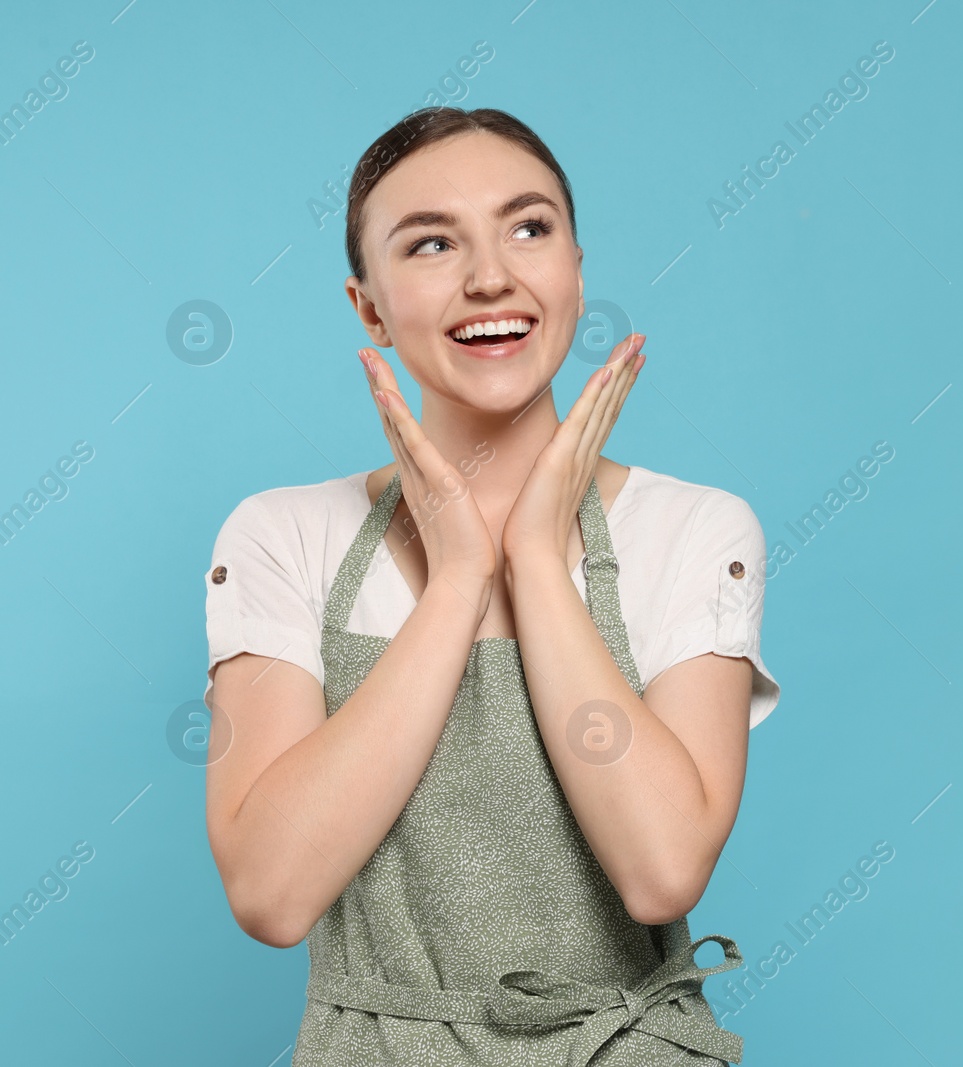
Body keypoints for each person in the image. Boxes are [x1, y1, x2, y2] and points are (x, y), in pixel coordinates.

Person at [201, 106, 779, 1066]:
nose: (490, 275)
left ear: (576, 271)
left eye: (529, 227)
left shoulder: (695, 529)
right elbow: (273, 890)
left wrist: (538, 565)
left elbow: (662, 870)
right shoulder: (284, 536)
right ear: (370, 308)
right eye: (431, 242)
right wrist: (462, 574)